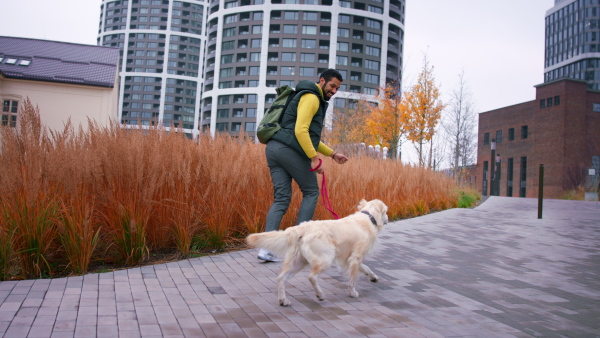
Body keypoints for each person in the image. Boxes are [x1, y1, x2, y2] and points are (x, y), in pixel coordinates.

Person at [257, 69, 349, 262]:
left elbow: (306, 135)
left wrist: (332, 154)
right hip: (287, 150)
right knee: (311, 192)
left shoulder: (304, 95)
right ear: (322, 81)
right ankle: (299, 247)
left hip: (274, 148)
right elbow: (301, 131)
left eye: (337, 88)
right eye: (332, 86)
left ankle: (266, 249)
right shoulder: (312, 97)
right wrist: (314, 158)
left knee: (281, 198)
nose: (334, 91)